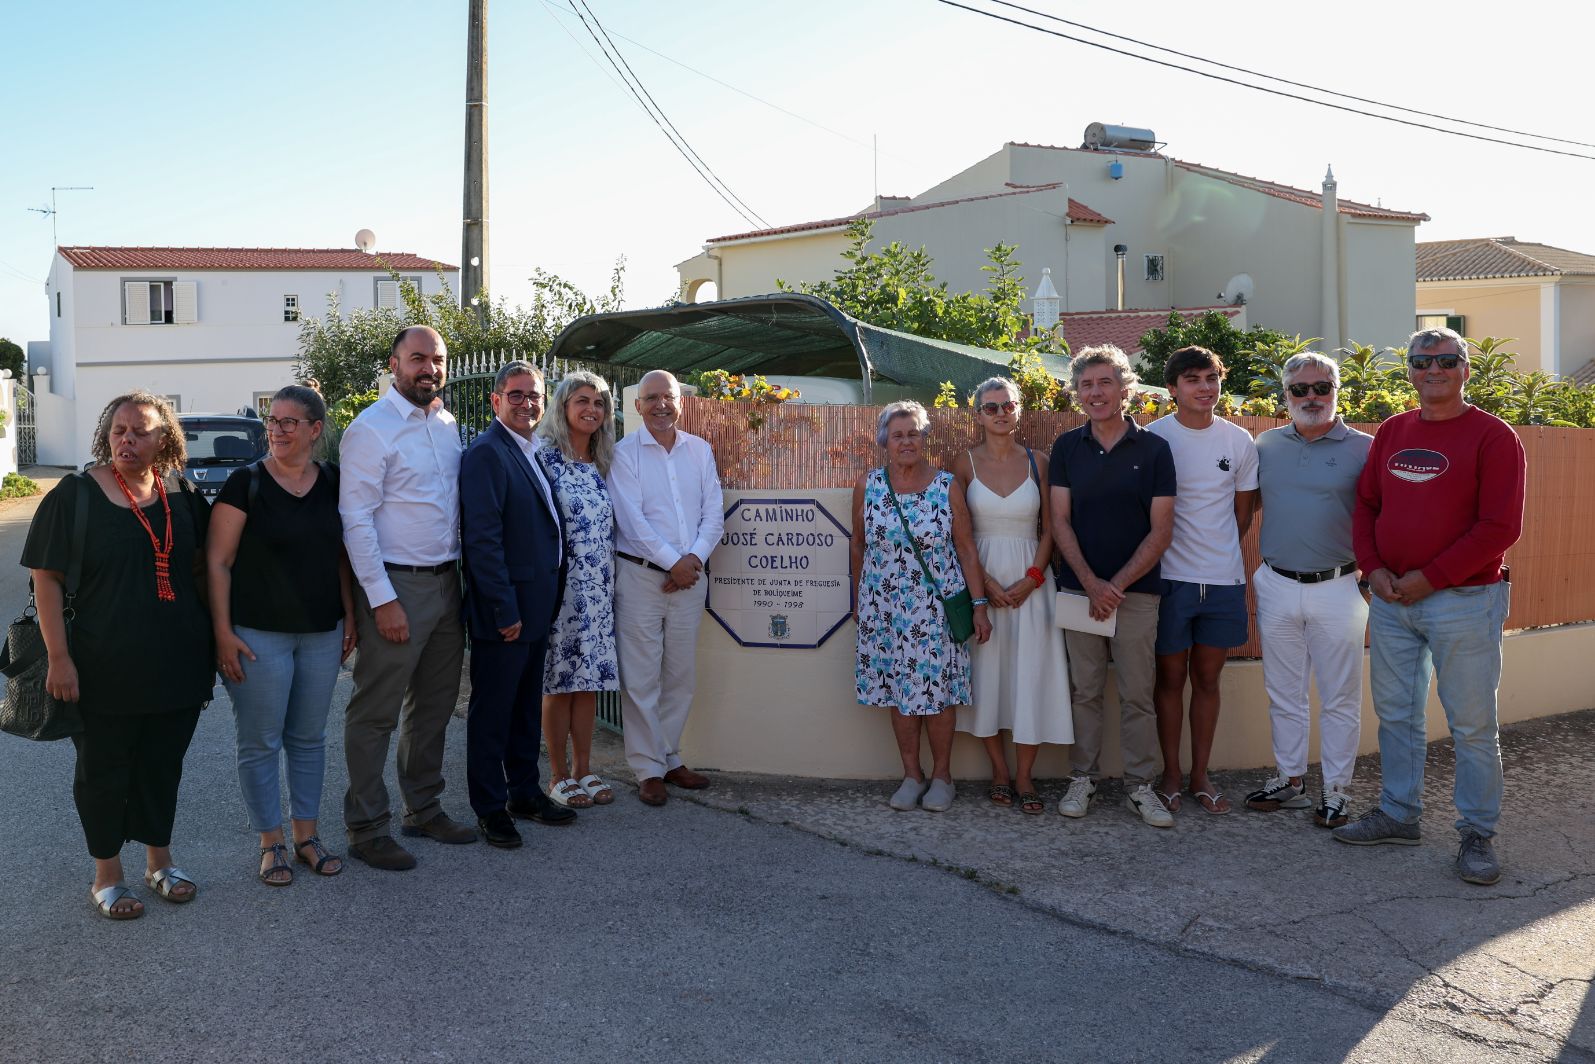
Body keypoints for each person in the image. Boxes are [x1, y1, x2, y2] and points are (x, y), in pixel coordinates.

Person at [1336, 327, 1526, 886]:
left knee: (1470, 724)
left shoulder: (1494, 437)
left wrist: (1431, 578)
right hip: (1392, 600)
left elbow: (1500, 526)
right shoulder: (1393, 431)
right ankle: (1398, 813)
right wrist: (1374, 571)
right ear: (1411, 372)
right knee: (1396, 714)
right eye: (1422, 362)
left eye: (1446, 360)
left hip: (1465, 600)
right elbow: (1366, 506)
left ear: (1466, 369)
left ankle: (1477, 833)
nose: (1432, 370)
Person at [23, 392, 214, 919]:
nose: (127, 439)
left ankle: (160, 863)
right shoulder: (76, 495)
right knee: (102, 769)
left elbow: (203, 572)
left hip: (177, 661)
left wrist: (216, 643)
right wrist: (59, 659)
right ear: (106, 436)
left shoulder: (182, 494)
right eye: (118, 430)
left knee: (161, 765)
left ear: (164, 439)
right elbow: (46, 578)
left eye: (141, 430)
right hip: (101, 663)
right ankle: (108, 876)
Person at [208, 385, 357, 885]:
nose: (277, 430)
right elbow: (218, 562)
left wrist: (350, 617)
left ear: (315, 430)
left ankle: (307, 837)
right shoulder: (244, 483)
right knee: (260, 741)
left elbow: (342, 555)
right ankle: (271, 843)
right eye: (273, 421)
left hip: (321, 631)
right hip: (257, 635)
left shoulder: (336, 481)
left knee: (309, 739)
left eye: (290, 422)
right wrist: (223, 633)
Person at [339, 325, 473, 869]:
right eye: (418, 358)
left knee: (435, 706)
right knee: (376, 712)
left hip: (447, 583)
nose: (430, 369)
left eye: (437, 360)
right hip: (398, 585)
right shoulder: (370, 429)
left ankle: (423, 807)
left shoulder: (446, 424)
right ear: (394, 364)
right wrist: (382, 598)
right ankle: (367, 827)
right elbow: (356, 519)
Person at [1049, 346, 1177, 828]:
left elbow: (1161, 530)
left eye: (1105, 383)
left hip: (1137, 593)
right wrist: (1090, 583)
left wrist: (1114, 587)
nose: (1095, 393)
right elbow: (1058, 521)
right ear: (1077, 393)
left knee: (1138, 692)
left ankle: (1141, 787)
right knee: (1084, 691)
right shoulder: (1066, 448)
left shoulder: (1154, 449)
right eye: (1086, 384)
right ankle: (1082, 777)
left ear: (1125, 389)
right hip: (1078, 591)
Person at [1245, 354, 1372, 829]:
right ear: (1285, 396)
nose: (1311, 398)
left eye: (1321, 387)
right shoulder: (1266, 446)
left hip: (1338, 585)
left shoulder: (1365, 448)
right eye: (1299, 390)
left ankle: (1337, 791)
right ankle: (1290, 779)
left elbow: (1382, 515)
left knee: (1339, 696)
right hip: (1276, 582)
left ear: (1337, 391)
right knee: (1284, 691)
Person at [853, 401, 992, 812]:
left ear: (925, 438)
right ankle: (911, 775)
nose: (906, 441)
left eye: (913, 433)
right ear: (885, 442)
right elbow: (857, 544)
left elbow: (966, 549)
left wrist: (979, 605)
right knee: (900, 692)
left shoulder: (946, 485)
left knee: (939, 694)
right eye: (898, 435)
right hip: (885, 607)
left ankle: (942, 777)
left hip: (936, 608)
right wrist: (858, 598)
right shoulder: (869, 485)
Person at [460, 361, 574, 847]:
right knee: (493, 715)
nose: (527, 403)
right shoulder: (486, 453)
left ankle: (523, 792)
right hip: (505, 613)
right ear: (495, 401)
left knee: (526, 708)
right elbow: (483, 541)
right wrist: (505, 610)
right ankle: (490, 808)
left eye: (535, 395)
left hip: (536, 605)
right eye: (517, 395)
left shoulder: (530, 450)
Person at [1147, 345, 1259, 815]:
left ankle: (1199, 776)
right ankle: (1170, 775)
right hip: (1168, 580)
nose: (1205, 387)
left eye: (1211, 378)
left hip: (1223, 583)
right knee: (1170, 679)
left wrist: (1214, 556)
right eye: (1193, 379)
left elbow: (1242, 515)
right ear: (1173, 389)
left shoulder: (1239, 442)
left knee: (1208, 680)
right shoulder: (1153, 438)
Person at [951, 378, 1071, 815]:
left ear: (1019, 410)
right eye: (991, 407)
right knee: (986, 677)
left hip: (1032, 586)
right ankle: (1000, 772)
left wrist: (1033, 577)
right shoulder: (962, 465)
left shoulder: (1040, 462)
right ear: (977, 414)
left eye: (1008, 405)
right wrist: (985, 585)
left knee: (1031, 676)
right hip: (981, 585)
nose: (1000, 413)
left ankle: (1025, 776)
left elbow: (1051, 528)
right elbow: (959, 534)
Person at [606, 370, 724, 806]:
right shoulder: (623, 454)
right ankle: (647, 768)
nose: (660, 405)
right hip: (640, 576)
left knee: (680, 675)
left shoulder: (700, 450)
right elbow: (632, 523)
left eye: (668, 397)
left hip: (690, 577)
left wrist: (690, 561)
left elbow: (714, 510)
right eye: (651, 398)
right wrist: (674, 563)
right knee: (640, 677)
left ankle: (670, 757)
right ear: (637, 406)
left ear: (681, 402)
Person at [537, 370, 620, 809]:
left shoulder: (604, 463)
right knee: (558, 682)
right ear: (564, 407)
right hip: (561, 589)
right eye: (581, 401)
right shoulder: (544, 459)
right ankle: (557, 775)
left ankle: (585, 770)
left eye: (599, 403)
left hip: (599, 589)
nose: (591, 409)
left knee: (587, 682)